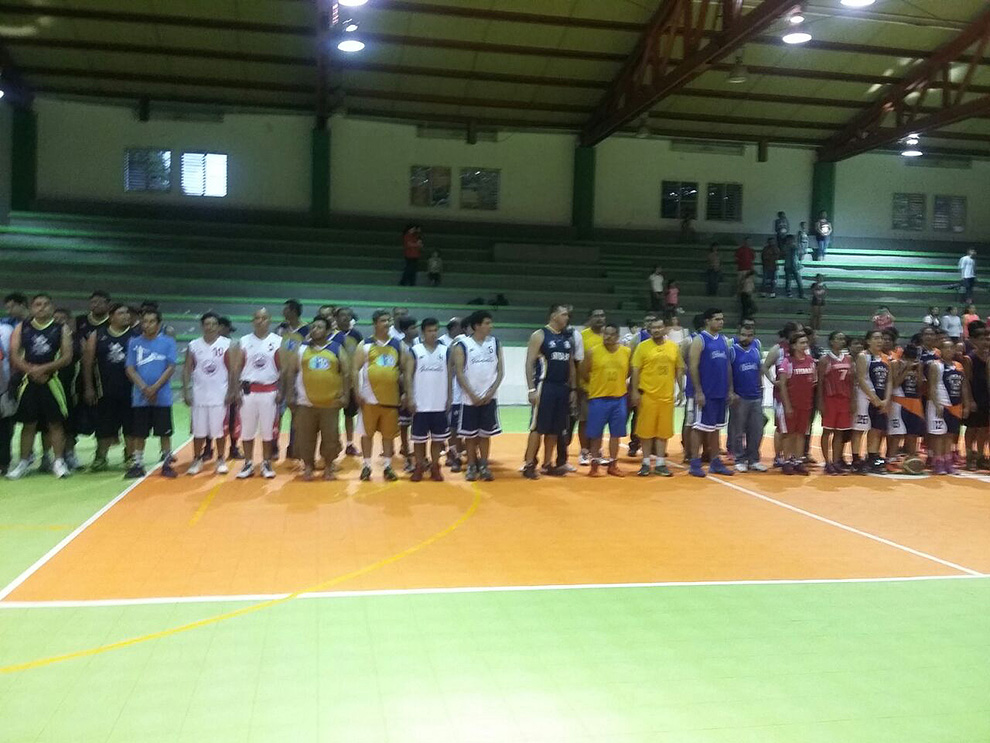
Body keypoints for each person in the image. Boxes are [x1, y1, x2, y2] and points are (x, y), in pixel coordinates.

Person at [5, 294, 74, 480]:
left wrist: (44, 369)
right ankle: (23, 462)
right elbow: (14, 355)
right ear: (32, 308)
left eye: (45, 304)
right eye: (38, 304)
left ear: (52, 307)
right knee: (28, 424)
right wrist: (31, 370)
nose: (42, 307)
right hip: (29, 381)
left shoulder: (61, 328)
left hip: (52, 381)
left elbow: (67, 357)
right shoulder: (22, 327)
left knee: (55, 423)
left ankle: (58, 461)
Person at [284, 315, 348, 481]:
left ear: (327, 331)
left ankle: (328, 467)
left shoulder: (336, 348)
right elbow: (291, 372)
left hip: (330, 403)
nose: (315, 330)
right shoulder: (301, 348)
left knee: (330, 438)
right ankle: (308, 466)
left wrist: (345, 395)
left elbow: (346, 373)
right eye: (313, 327)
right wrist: (290, 394)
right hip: (305, 403)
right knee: (305, 438)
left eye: (319, 327)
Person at [522, 305, 576, 479]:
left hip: (562, 387)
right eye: (564, 314)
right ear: (553, 316)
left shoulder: (567, 338)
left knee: (555, 428)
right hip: (545, 385)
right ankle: (529, 464)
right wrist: (531, 388)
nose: (567, 317)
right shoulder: (540, 335)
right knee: (538, 427)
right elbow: (529, 362)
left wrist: (572, 388)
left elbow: (570, 364)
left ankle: (547, 463)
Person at [124, 308, 177, 479]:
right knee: (139, 433)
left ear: (159, 324)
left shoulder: (168, 342)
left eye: (151, 321)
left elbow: (170, 367)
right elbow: (130, 368)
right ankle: (138, 464)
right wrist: (144, 388)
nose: (147, 325)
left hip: (162, 396)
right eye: (145, 321)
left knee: (164, 432)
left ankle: (167, 462)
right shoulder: (134, 342)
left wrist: (154, 388)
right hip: (140, 397)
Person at [83, 303, 136, 471]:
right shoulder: (98, 335)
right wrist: (89, 387)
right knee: (104, 426)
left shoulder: (135, 336)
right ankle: (100, 457)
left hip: (130, 389)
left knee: (130, 426)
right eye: (121, 313)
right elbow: (87, 363)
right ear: (111, 317)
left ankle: (130, 456)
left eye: (127, 313)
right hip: (105, 390)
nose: (126, 316)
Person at [353, 310, 405, 482]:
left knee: (388, 435)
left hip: (391, 399)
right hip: (369, 398)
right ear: (375, 323)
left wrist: (405, 392)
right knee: (367, 434)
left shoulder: (397, 345)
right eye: (383, 320)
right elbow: (354, 369)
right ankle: (367, 466)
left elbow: (405, 370)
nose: (387, 323)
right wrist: (357, 392)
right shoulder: (365, 345)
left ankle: (388, 466)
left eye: (389, 320)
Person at [453, 310, 504, 482]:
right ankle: (471, 465)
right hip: (469, 399)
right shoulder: (463, 345)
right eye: (487, 323)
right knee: (470, 435)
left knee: (485, 434)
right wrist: (472, 394)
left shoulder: (495, 343)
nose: (491, 326)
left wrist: (491, 392)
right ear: (476, 326)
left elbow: (500, 371)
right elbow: (459, 373)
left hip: (490, 397)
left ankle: (484, 464)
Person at [232, 308, 282, 480]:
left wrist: (281, 391)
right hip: (248, 391)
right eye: (257, 318)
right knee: (247, 431)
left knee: (268, 431)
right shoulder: (244, 341)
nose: (260, 321)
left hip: (269, 391)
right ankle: (248, 463)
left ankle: (266, 463)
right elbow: (236, 368)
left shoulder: (278, 341)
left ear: (270, 320)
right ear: (252, 321)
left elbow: (283, 368)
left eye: (264, 318)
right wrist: (235, 391)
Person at [630, 317, 684, 477]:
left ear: (665, 328)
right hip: (647, 396)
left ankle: (660, 463)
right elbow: (635, 370)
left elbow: (679, 368)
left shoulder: (673, 347)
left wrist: (681, 389)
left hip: (666, 396)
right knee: (645, 431)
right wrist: (634, 391)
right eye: (653, 328)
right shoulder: (642, 347)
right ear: (649, 330)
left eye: (659, 327)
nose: (656, 330)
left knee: (663, 432)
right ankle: (646, 462)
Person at [183, 312, 233, 476]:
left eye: (213, 324)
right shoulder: (194, 345)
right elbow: (187, 369)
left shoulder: (227, 344)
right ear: (202, 326)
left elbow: (232, 370)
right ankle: (197, 459)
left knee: (220, 431)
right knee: (198, 431)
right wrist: (186, 390)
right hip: (199, 395)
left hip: (220, 395)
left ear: (218, 326)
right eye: (207, 324)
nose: (210, 327)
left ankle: (221, 459)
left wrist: (232, 391)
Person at [688, 308, 734, 478]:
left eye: (722, 319)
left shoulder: (723, 340)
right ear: (707, 321)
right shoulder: (699, 340)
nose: (721, 322)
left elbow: (727, 366)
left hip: (720, 392)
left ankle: (715, 461)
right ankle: (694, 462)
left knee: (716, 428)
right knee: (698, 427)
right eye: (717, 319)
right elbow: (693, 367)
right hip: (706, 392)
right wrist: (698, 391)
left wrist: (730, 389)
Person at [581, 323, 631, 477]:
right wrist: (596, 384)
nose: (608, 337)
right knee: (596, 434)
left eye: (611, 334)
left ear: (617, 336)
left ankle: (613, 465)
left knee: (616, 434)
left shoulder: (626, 352)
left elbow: (628, 372)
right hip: (598, 398)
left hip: (619, 398)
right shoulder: (593, 352)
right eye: (605, 334)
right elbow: (584, 371)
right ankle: (594, 465)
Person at [408, 318, 452, 482]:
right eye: (429, 331)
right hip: (420, 403)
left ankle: (435, 466)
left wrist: (449, 397)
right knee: (419, 440)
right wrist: (410, 397)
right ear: (423, 332)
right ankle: (419, 465)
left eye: (435, 330)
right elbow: (408, 376)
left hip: (439, 402)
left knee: (438, 439)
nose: (433, 334)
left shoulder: (445, 351)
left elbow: (449, 376)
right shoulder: (415, 351)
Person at [927, 338, 970, 475]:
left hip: (955, 405)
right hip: (940, 403)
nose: (949, 350)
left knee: (950, 434)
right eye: (946, 348)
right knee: (939, 435)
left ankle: (948, 461)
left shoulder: (959, 366)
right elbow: (932, 386)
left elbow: (964, 386)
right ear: (940, 350)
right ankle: (938, 461)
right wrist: (936, 404)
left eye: (952, 348)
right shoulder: (936, 365)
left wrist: (966, 405)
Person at [776, 331, 816, 475]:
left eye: (806, 342)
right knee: (788, 433)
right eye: (802, 342)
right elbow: (782, 385)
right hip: (791, 404)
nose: (805, 345)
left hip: (805, 404)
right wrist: (787, 406)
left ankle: (798, 461)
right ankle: (787, 461)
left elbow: (813, 382)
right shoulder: (787, 362)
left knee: (801, 433)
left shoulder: (810, 361)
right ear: (794, 345)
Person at [727, 323, 765, 472]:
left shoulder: (756, 351)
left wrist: (761, 388)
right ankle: (739, 458)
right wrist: (731, 392)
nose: (746, 338)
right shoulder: (732, 351)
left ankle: (754, 459)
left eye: (749, 335)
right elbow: (728, 373)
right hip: (739, 396)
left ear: (753, 337)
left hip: (755, 395)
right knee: (738, 430)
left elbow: (759, 371)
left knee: (756, 430)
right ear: (738, 335)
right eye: (743, 335)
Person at [853, 330, 891, 474]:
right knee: (860, 429)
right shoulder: (863, 356)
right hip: (865, 398)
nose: (879, 341)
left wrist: (886, 399)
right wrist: (874, 399)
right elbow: (861, 379)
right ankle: (856, 460)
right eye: (875, 338)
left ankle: (872, 457)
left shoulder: (886, 358)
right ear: (868, 341)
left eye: (881, 338)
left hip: (881, 398)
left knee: (876, 429)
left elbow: (889, 380)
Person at [818, 332, 853, 475]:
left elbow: (851, 382)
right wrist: (820, 402)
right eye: (838, 338)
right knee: (827, 431)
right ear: (831, 341)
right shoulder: (825, 360)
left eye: (843, 339)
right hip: (830, 399)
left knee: (840, 432)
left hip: (844, 399)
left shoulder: (848, 358)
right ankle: (828, 462)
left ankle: (837, 461)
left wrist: (853, 401)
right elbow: (820, 383)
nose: (841, 341)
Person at [332, 306, 363, 457]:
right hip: (333, 382)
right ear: (336, 318)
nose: (345, 318)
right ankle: (332, 443)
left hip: (350, 382)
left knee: (349, 415)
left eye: (348, 316)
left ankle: (350, 444)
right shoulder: (331, 335)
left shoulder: (356, 335)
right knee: (331, 416)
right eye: (342, 315)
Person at [577, 309, 606, 465]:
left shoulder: (608, 336)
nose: (600, 319)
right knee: (585, 419)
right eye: (596, 316)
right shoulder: (582, 337)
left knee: (600, 421)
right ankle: (584, 451)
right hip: (586, 386)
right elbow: (578, 362)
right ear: (590, 319)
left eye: (602, 316)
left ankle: (596, 450)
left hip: (604, 388)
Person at [438, 317, 465, 471]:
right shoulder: (443, 343)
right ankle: (452, 453)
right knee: (453, 426)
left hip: (464, 392)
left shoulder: (465, 341)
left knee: (464, 426)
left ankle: (460, 452)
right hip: (452, 390)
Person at [962, 327, 990, 470]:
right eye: (982, 339)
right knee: (972, 428)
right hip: (975, 395)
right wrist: (969, 400)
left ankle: (980, 456)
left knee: (985, 428)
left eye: (987, 339)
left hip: (987, 395)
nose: (985, 342)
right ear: (974, 341)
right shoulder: (969, 358)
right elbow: (966, 381)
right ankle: (969, 456)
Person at [217, 317, 242, 460]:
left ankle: (233, 447)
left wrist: (235, 389)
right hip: (214, 388)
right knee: (213, 421)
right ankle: (208, 448)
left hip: (230, 386)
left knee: (233, 419)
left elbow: (238, 368)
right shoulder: (208, 344)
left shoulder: (234, 345)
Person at [397, 315, 419, 472]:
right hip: (404, 389)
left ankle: (420, 456)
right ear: (404, 330)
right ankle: (406, 456)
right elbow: (399, 371)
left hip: (420, 388)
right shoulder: (400, 346)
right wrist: (405, 391)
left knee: (418, 425)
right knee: (404, 425)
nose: (415, 330)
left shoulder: (419, 344)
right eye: (412, 328)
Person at [783, 235, 804, 299]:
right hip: (788, 265)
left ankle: (801, 294)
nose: (790, 241)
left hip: (795, 266)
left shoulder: (796, 247)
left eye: (791, 240)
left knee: (799, 281)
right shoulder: (785, 247)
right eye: (788, 240)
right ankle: (788, 293)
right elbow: (783, 254)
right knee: (788, 281)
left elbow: (800, 255)